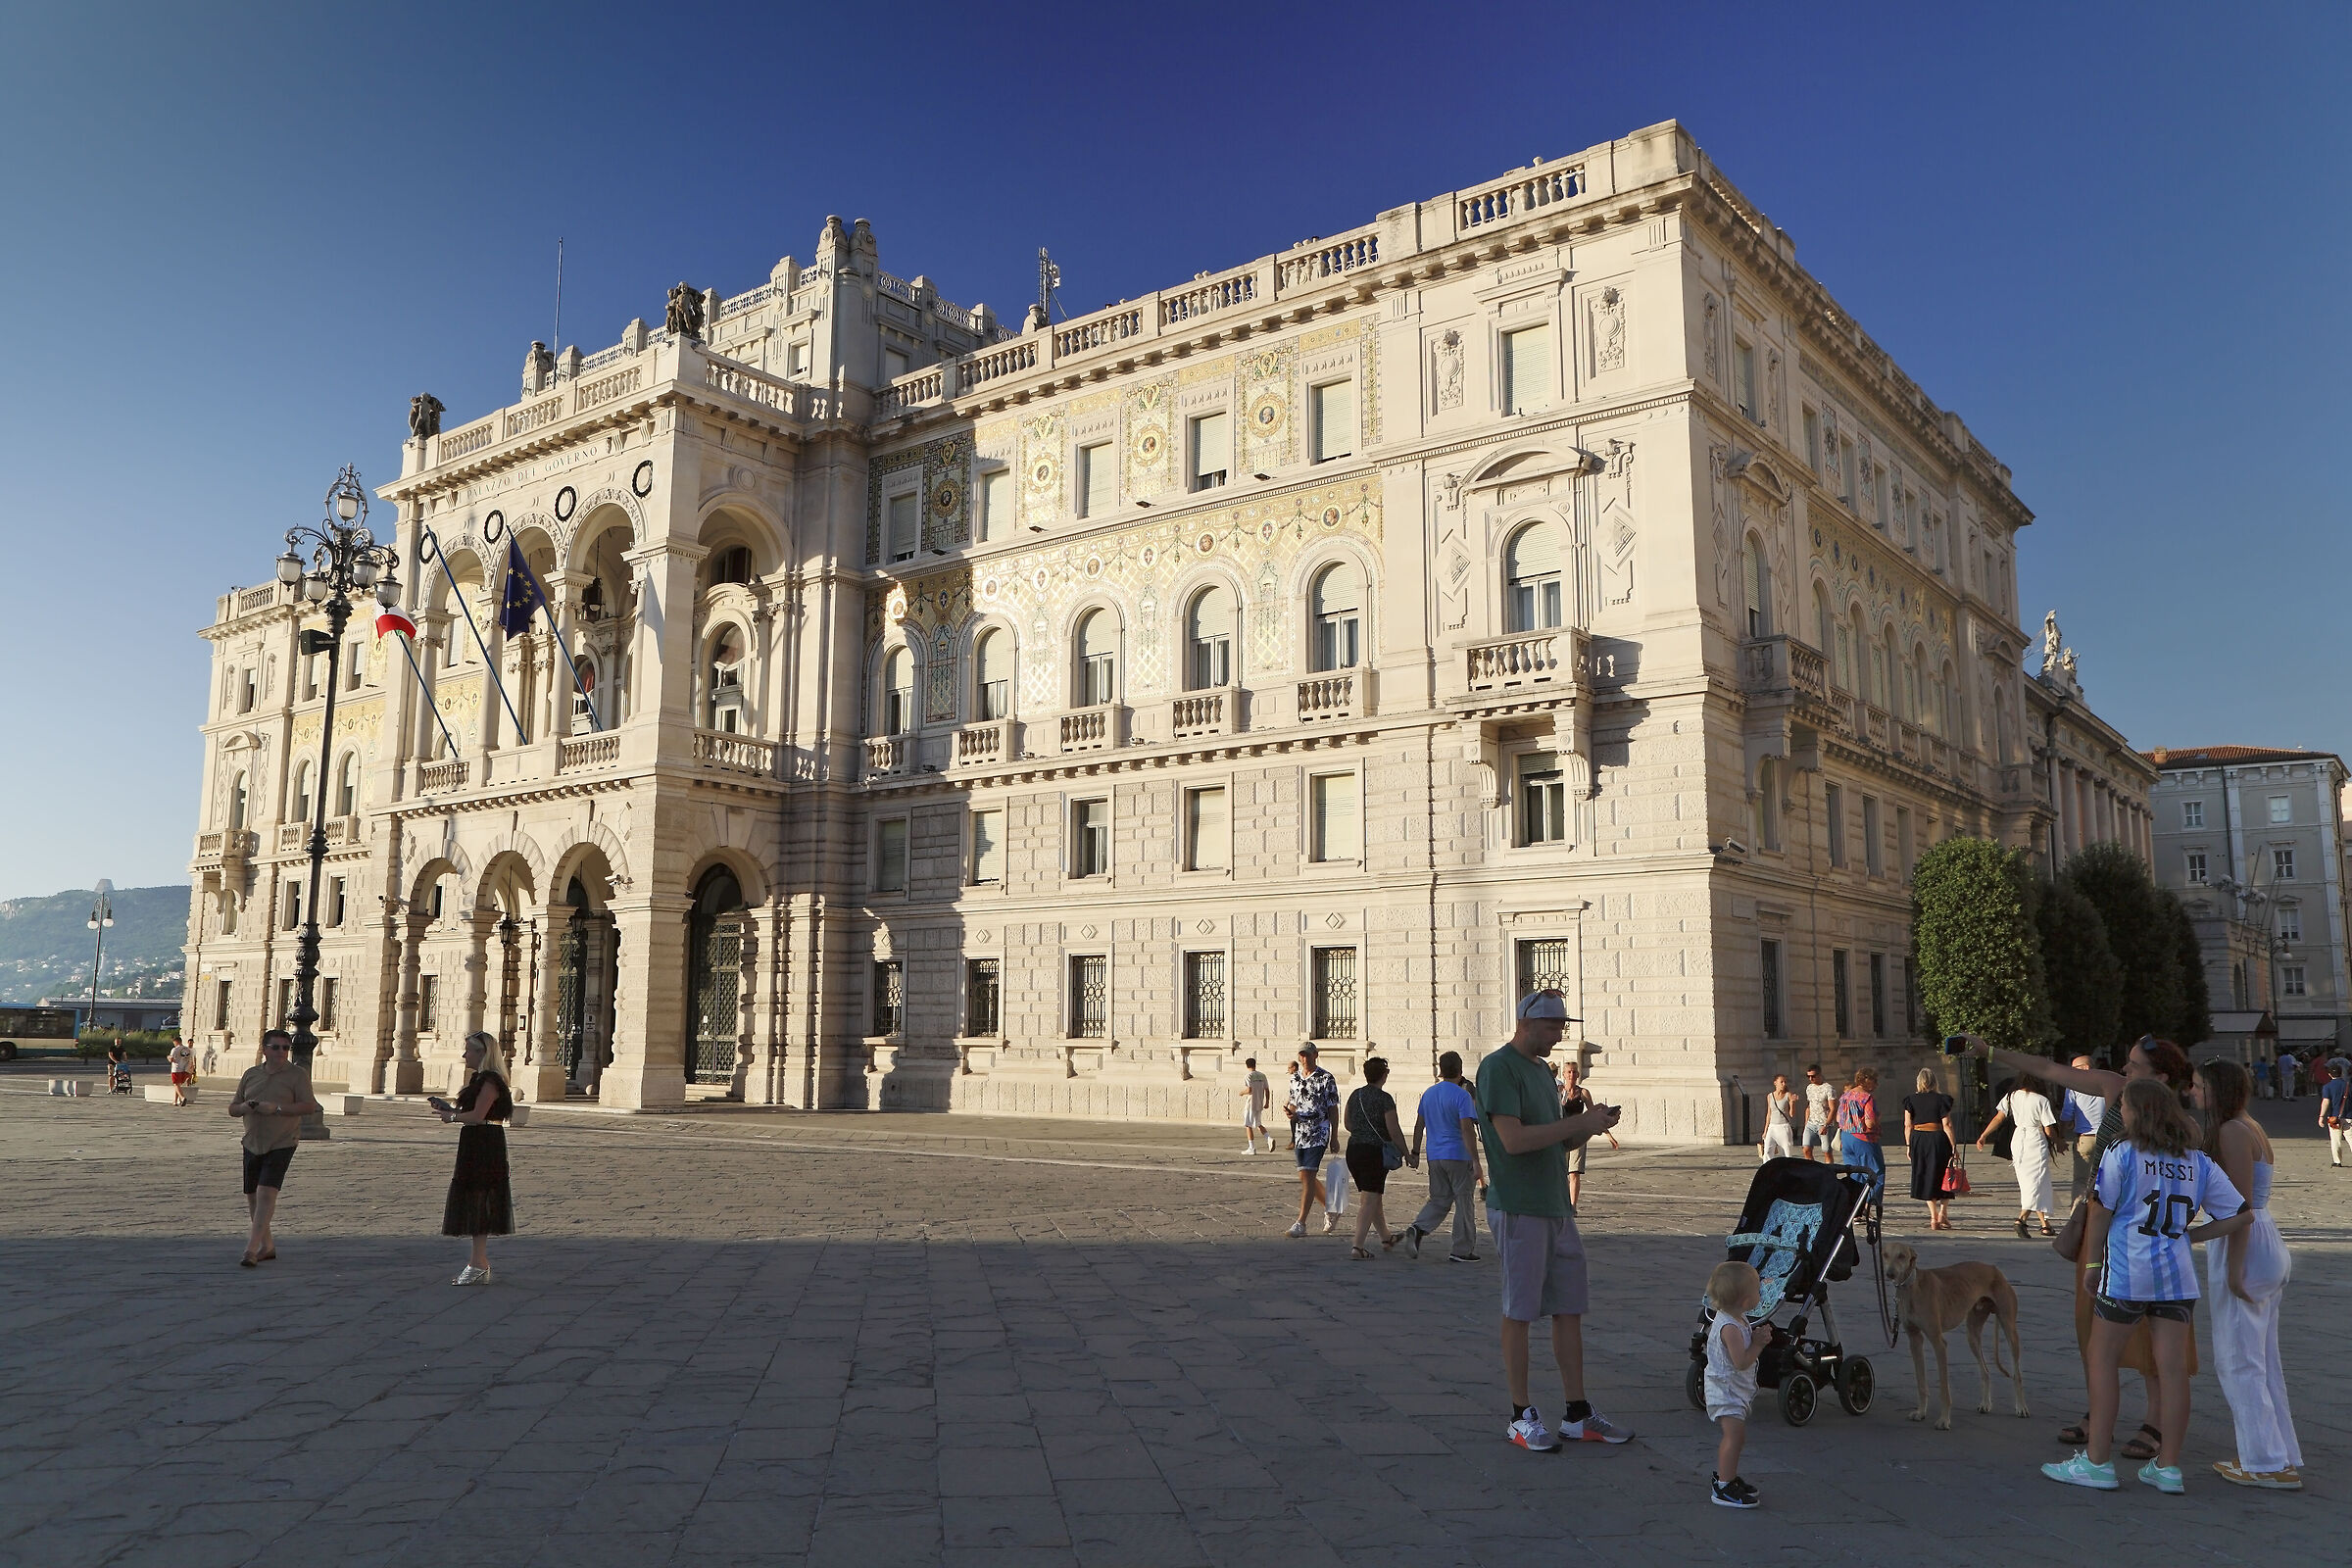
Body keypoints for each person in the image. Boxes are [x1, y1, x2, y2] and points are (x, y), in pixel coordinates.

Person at [1968, 1034, 2194, 1463]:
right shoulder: (2114, 1089)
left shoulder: (2179, 1125)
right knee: (2092, 1323)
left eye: (2134, 1066)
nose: (2124, 1070)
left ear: (2162, 1077)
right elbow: (2047, 1069)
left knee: (2153, 1331)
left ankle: (2154, 1422)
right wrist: (1989, 1051)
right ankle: (2099, 1414)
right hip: (2098, 1222)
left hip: (2146, 1235)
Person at [2042, 1078, 2253, 1494]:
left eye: (2125, 1106)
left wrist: (2092, 1263)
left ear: (2138, 1112)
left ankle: (2097, 1462)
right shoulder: (2197, 1160)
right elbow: (2242, 1214)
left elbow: (2101, 1210)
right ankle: (2169, 1466)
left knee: (2101, 1360)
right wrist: (2191, 1236)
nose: (2121, 1112)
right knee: (2172, 1372)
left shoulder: (2122, 1151)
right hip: (2177, 1277)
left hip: (2127, 1270)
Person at [1476, 990, 1631, 1450]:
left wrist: (1589, 1124)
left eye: (1562, 1027)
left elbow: (1557, 1142)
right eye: (1552, 1027)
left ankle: (1577, 1412)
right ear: (1525, 1023)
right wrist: (1575, 1124)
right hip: (1519, 1205)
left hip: (1556, 1206)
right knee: (1520, 1310)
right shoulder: (1498, 1068)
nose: (1559, 1035)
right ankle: (1520, 1414)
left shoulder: (1544, 1073)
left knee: (1569, 1307)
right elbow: (1513, 1141)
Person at [2192, 1058, 2301, 1489]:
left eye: (2198, 1086)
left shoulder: (2232, 1131)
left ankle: (2264, 1462)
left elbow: (2238, 1211)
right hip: (2264, 1241)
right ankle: (2276, 1454)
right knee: (2261, 1359)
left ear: (2216, 1090)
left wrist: (2231, 1268)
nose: (2191, 1093)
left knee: (2239, 1359)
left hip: (2248, 1245)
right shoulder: (2248, 1126)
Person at [227, 1030, 318, 1268]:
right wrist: (245, 1107)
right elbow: (233, 1108)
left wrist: (276, 1109)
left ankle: (251, 1249)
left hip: (282, 1141)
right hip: (252, 1141)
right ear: (265, 1049)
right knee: (252, 1196)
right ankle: (267, 1246)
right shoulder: (251, 1074)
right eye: (276, 1047)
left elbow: (309, 1106)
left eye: (285, 1048)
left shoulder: (297, 1075)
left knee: (266, 1193)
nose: (281, 1052)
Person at [432, 1030, 514, 1286]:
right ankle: (478, 1262)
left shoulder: (490, 1080)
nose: (464, 1054)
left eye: (469, 1050)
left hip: (485, 1143)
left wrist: (452, 1117)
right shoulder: (480, 1078)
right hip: (476, 1140)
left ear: (482, 1053)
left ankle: (478, 1262)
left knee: (480, 1198)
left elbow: (479, 1115)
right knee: (474, 1198)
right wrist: (451, 1110)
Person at [1403, 1050, 1482, 1262]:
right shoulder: (1462, 1096)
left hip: (1434, 1155)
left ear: (1441, 1070)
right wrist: (1476, 1161)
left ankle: (1418, 1227)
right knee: (1464, 1202)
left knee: (1440, 1199)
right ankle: (1461, 1249)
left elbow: (1419, 1125)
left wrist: (1416, 1152)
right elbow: (1467, 1130)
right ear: (1460, 1070)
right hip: (1458, 1154)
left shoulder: (1429, 1093)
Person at [1702, 1261, 1766, 1509]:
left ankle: (1727, 1477)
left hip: (1731, 1388)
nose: (1761, 1294)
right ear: (1745, 1301)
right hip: (1725, 1390)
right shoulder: (1730, 1327)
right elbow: (1741, 1362)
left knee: (1737, 1437)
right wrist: (1758, 1344)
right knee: (1734, 1437)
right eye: (1758, 1291)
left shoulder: (1736, 1318)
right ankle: (1724, 1485)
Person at [1977, 1073, 2060, 1239]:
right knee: (2036, 1181)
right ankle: (2021, 1219)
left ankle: (2045, 1224)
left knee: (2034, 1181)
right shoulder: (2041, 1100)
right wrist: (2059, 1142)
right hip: (2035, 1140)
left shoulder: (2012, 1097)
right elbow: (2049, 1129)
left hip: (2018, 1140)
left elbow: (1999, 1117)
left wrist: (1984, 1134)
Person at [1343, 1057, 1409, 1260]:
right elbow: (1394, 1130)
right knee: (1369, 1200)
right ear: (1384, 1075)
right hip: (1373, 1153)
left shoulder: (1356, 1095)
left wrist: (1362, 1132)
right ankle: (1357, 1247)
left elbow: (1347, 1124)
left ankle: (1386, 1238)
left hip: (1354, 1150)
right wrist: (1407, 1154)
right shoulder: (1384, 1099)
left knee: (1373, 1196)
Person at [1284, 1045, 1340, 1239]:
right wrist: (1290, 1112)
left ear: (1315, 1055)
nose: (1305, 1059)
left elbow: (1333, 1108)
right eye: (1302, 1056)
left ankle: (1301, 1222)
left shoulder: (1326, 1078)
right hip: (1300, 1133)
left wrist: (1334, 1136)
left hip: (1319, 1132)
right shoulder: (1295, 1078)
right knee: (1304, 1176)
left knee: (1308, 1175)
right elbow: (1293, 1102)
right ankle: (1331, 1208)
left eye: (1308, 1055)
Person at [1558, 1059, 1618, 1208]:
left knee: (1574, 1172)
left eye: (1574, 1072)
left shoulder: (1583, 1092)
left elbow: (1592, 1114)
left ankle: (1573, 1206)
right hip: (1562, 1134)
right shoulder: (1559, 1091)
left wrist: (1609, 1136)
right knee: (1560, 1172)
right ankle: (1562, 1203)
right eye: (1569, 1072)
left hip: (1579, 1135)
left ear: (1578, 1074)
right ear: (1564, 1074)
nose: (1571, 1075)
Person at [1902, 1068, 1955, 1230]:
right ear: (1934, 1081)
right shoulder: (1943, 1099)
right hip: (1938, 1138)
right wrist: (1953, 1146)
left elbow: (1907, 1125)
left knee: (1925, 1174)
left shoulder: (1910, 1100)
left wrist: (1908, 1145)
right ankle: (1943, 1212)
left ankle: (1933, 1217)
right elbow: (1947, 1124)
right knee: (1945, 1174)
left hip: (1919, 1139)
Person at [2063, 1058, 2106, 1208]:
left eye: (2075, 1068)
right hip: (2105, 1138)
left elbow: (2067, 1114)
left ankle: (2076, 1212)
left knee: (2080, 1180)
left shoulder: (2074, 1086)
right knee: (2105, 1179)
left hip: (2084, 1138)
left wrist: (2063, 1132)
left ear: (2086, 1067)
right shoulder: (2105, 1084)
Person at [1836, 1068, 1882, 1200]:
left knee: (1855, 1173)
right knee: (1875, 1172)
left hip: (1846, 1137)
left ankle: (1856, 1205)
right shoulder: (1867, 1098)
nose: (1876, 1084)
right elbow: (1870, 1123)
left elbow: (1838, 1118)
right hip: (1863, 1139)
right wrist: (1877, 1119)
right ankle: (1871, 1203)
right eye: (1874, 1081)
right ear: (1867, 1080)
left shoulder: (1845, 1096)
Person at [1758, 1073, 1799, 1161]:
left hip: (1783, 1127)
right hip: (1772, 1127)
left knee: (1786, 1152)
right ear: (1775, 1083)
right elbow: (1769, 1113)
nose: (1784, 1084)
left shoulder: (1788, 1095)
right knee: (1767, 1151)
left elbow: (1791, 1114)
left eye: (1785, 1082)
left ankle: (1787, 1168)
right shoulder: (1770, 1096)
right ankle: (1767, 1167)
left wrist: (1792, 1103)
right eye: (1781, 1082)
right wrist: (1765, 1131)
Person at [1799, 1064, 1836, 1161]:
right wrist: (1806, 1123)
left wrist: (1826, 1125)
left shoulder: (1828, 1088)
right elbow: (1809, 1106)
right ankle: (1812, 1169)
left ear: (1819, 1074)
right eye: (1808, 1076)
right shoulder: (1809, 1088)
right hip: (1811, 1123)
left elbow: (1833, 1108)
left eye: (1813, 1076)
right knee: (1806, 1149)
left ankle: (1828, 1169)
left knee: (1826, 1152)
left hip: (1824, 1123)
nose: (1811, 1079)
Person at [1239, 1056, 1272, 1154]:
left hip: (1251, 1103)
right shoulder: (1262, 1075)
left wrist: (1242, 1092)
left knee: (1248, 1125)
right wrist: (1267, 1102)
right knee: (1258, 1124)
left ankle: (1251, 1148)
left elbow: (1249, 1090)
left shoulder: (1248, 1076)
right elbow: (1267, 1090)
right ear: (1255, 1064)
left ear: (1246, 1065)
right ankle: (1268, 1138)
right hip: (1259, 1102)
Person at [2320, 1067, 2351, 1168]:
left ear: (2329, 1075)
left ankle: (2337, 1161)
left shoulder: (2327, 1086)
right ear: (2341, 1073)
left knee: (2335, 1140)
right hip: (2349, 1116)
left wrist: (2321, 1116)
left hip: (2334, 1117)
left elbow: (2326, 1102)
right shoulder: (2348, 1086)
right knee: (2351, 1139)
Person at [167, 1036, 196, 1107]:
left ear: (176, 1042)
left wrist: (168, 1057)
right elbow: (191, 1060)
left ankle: (182, 1098)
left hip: (176, 1070)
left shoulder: (175, 1049)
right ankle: (176, 1101)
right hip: (185, 1070)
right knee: (178, 1085)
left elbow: (171, 1059)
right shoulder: (188, 1049)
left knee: (176, 1085)